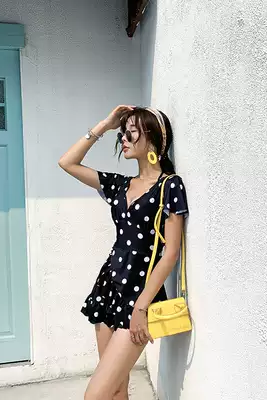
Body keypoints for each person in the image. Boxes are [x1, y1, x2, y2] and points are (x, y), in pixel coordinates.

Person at [58, 105, 189, 400]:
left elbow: (171, 253)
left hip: (139, 295)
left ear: (153, 137)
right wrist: (105, 125)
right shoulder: (119, 185)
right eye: (122, 134)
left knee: (95, 395)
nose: (124, 139)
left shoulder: (170, 186)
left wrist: (141, 308)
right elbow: (67, 162)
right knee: (116, 389)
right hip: (109, 287)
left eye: (131, 132)